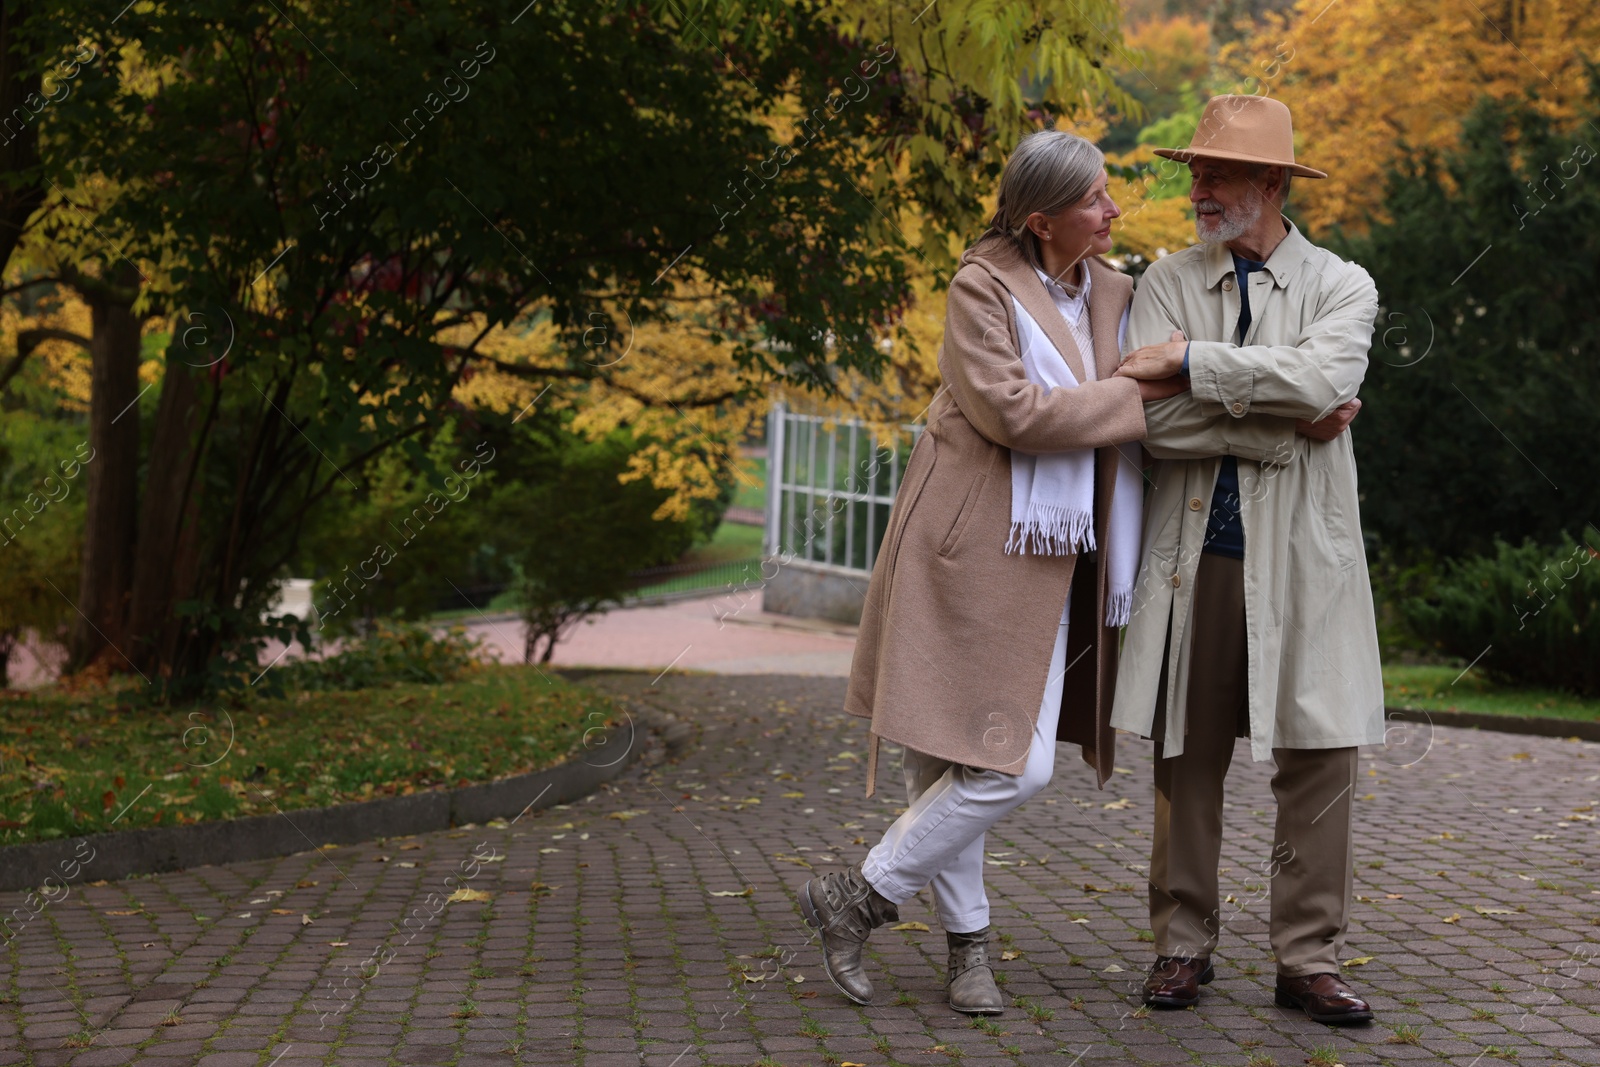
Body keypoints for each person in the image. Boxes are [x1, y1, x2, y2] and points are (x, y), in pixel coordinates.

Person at [797, 130, 1181, 1016]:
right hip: (967, 546)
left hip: (1059, 554)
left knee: (995, 758)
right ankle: (959, 941)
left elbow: (1161, 370)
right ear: (1042, 220)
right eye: (1095, 199)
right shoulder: (980, 285)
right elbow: (1014, 412)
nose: (1114, 210)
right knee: (981, 758)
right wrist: (1137, 395)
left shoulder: (1118, 289)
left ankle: (860, 899)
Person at [1109, 94, 1384, 1026]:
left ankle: (1307, 957)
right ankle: (1181, 945)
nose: (1199, 187)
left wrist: (1192, 361)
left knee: (1318, 751)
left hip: (1307, 559)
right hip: (1193, 556)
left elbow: (1324, 380)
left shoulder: (1345, 285)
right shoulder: (1164, 280)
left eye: (1217, 172)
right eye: (1196, 170)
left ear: (1270, 184)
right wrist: (1281, 425)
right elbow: (1145, 418)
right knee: (1187, 755)